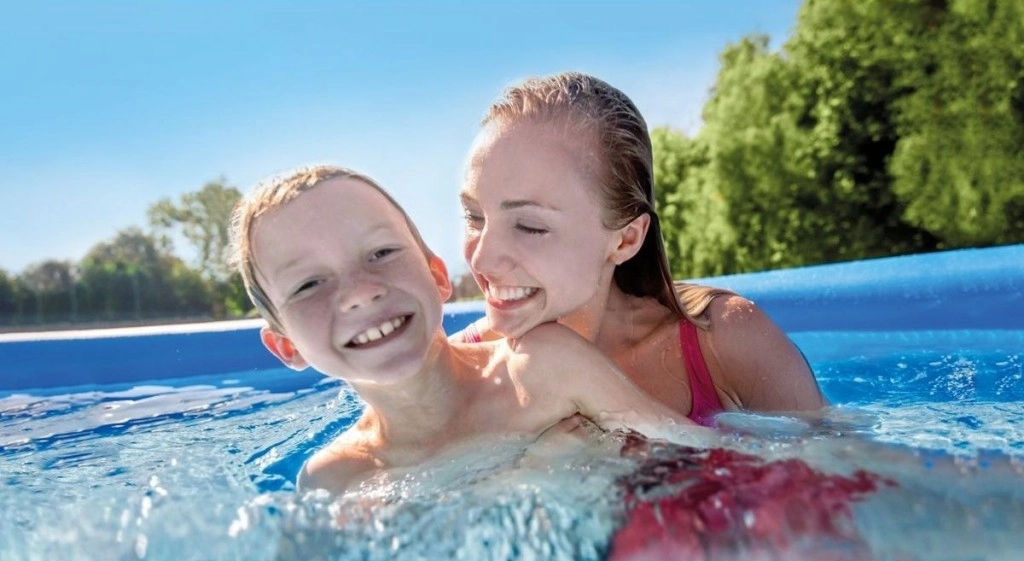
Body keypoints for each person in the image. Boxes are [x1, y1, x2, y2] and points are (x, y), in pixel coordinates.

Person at [229, 164, 704, 496]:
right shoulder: (335, 479)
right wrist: (527, 477)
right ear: (286, 346)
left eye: (381, 253)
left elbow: (704, 455)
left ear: (439, 277)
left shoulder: (542, 369)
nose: (359, 293)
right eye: (309, 284)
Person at [456, 71, 826, 425]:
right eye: (474, 216)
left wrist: (599, 392)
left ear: (626, 239)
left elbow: (837, 460)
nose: (482, 259)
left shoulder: (725, 343)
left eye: (530, 227)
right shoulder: (458, 368)